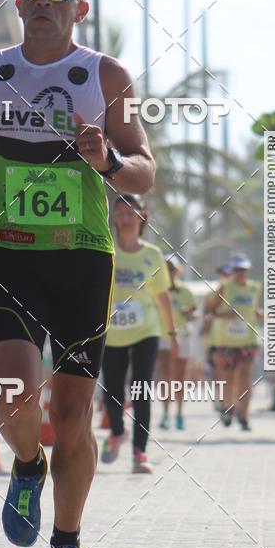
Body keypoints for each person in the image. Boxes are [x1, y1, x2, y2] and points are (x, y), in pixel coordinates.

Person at [0, 0, 156, 548]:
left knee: (71, 413)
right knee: (13, 391)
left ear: (79, 9)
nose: (41, 1)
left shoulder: (105, 75)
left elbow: (145, 165)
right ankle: (27, 467)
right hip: (11, 252)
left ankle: (67, 546)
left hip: (84, 259)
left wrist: (107, 163)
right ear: (18, 1)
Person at [100, 195, 178, 472]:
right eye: (120, 212)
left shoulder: (152, 255)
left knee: (141, 388)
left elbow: (162, 296)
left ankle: (139, 453)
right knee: (112, 388)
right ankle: (117, 432)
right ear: (114, 218)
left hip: (147, 330)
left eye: (131, 211)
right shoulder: (106, 249)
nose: (125, 216)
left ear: (142, 216)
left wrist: (172, 331)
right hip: (112, 332)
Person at [211, 254, 263, 430]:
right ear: (232, 271)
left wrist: (267, 316)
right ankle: (227, 407)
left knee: (246, 377)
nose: (241, 273)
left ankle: (244, 415)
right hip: (227, 341)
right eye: (237, 270)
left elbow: (254, 310)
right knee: (229, 378)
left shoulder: (254, 288)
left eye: (244, 270)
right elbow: (210, 311)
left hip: (248, 339)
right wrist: (224, 315)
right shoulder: (224, 288)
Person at [157, 257, 196, 430]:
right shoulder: (155, 290)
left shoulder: (186, 291)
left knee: (180, 378)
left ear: (176, 271)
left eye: (171, 269)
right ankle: (165, 413)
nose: (168, 272)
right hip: (162, 336)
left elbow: (194, 312)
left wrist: (189, 313)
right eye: (165, 269)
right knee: (165, 376)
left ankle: (180, 413)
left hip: (183, 336)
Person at [201, 263, 232, 410]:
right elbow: (206, 316)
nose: (224, 277)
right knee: (219, 372)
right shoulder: (212, 293)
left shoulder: (242, 292)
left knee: (234, 373)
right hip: (216, 339)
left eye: (227, 274)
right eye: (222, 274)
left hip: (238, 340)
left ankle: (232, 402)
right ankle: (222, 401)